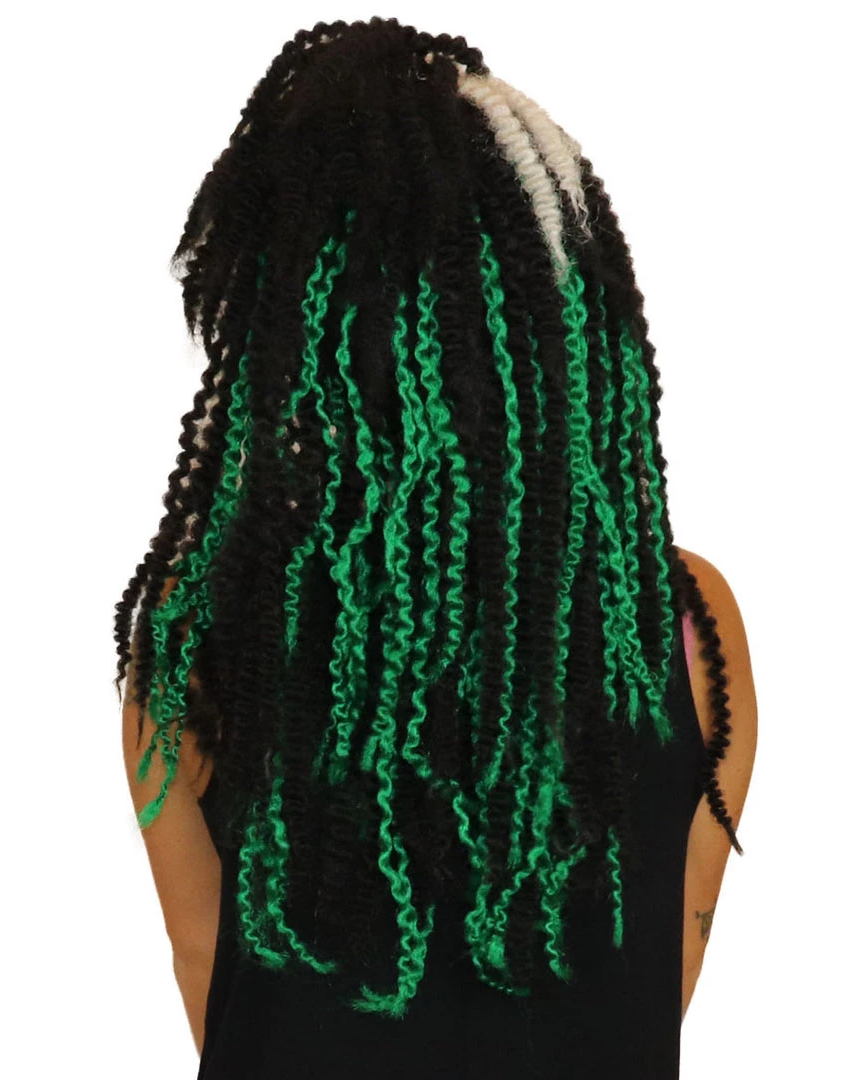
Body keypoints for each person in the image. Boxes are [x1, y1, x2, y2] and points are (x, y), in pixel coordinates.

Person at [115, 17, 757, 1079]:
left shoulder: (198, 629)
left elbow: (205, 968)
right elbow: (663, 968)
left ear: (289, 331)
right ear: (560, 313)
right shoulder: (689, 627)